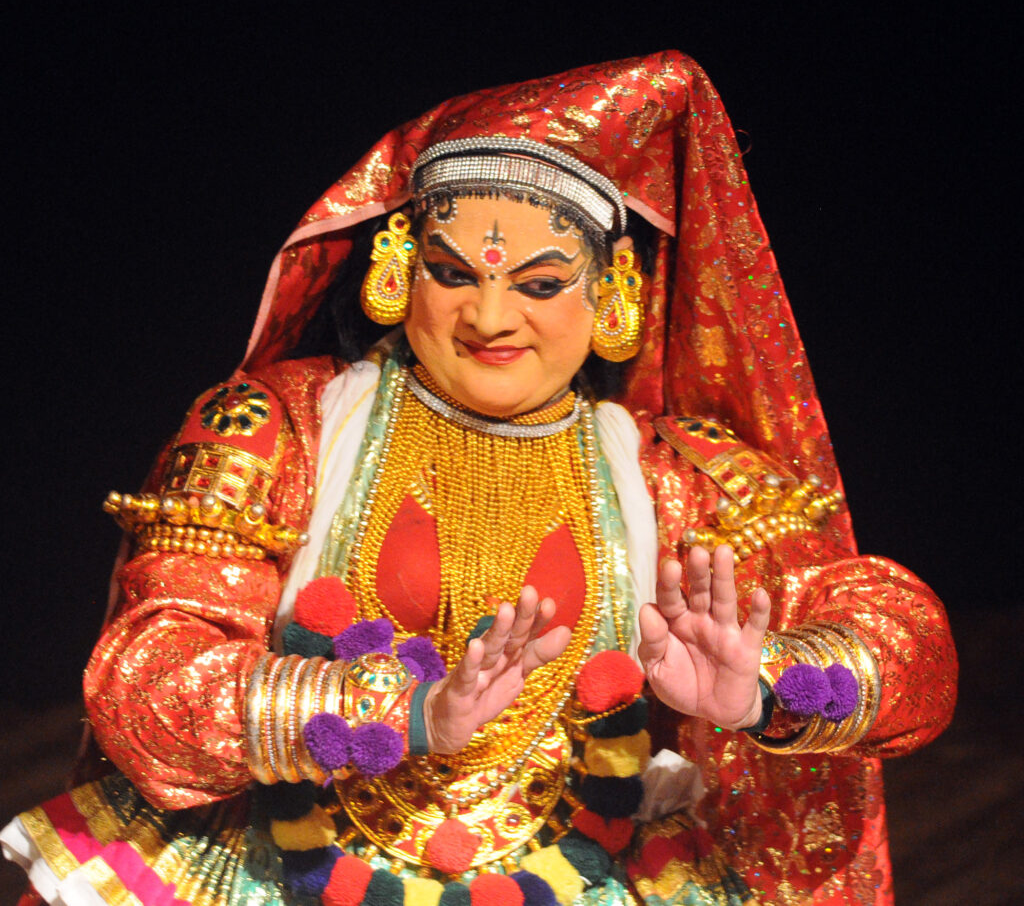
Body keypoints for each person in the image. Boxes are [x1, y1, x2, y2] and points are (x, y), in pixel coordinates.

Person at [1, 51, 956, 906]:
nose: (492, 317)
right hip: (273, 873)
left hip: (583, 872)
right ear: (400, 270)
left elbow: (908, 651)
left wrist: (764, 688)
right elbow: (147, 680)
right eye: (456, 274)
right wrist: (397, 716)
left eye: (540, 283)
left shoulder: (680, 471)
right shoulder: (275, 426)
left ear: (611, 292)